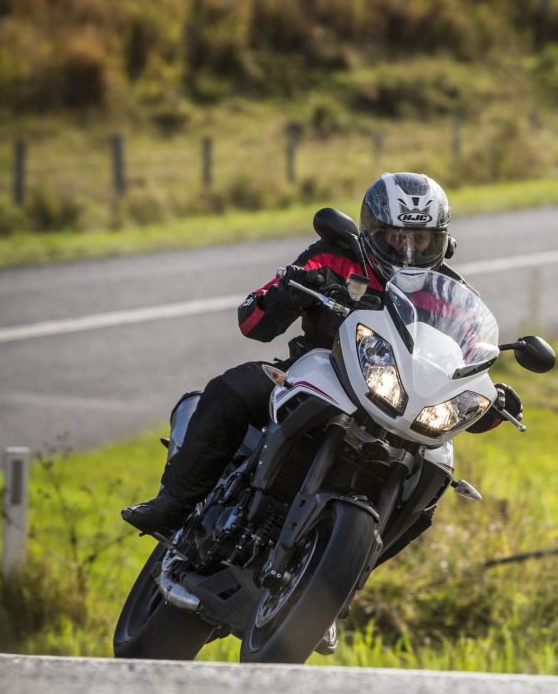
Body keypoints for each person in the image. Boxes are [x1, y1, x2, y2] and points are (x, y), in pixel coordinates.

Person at [122, 171, 521, 544]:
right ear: (371, 233)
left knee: (433, 480)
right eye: (397, 238)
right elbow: (253, 320)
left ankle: (346, 579)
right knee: (232, 390)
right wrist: (290, 289)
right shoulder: (334, 256)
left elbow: (470, 350)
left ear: (443, 242)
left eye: (422, 240)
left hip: (402, 402)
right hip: (312, 371)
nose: (409, 250)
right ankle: (172, 505)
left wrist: (490, 394)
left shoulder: (449, 295)